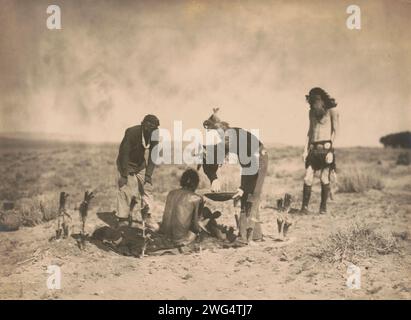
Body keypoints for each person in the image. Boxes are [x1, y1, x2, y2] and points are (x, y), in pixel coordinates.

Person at [201, 108, 269, 243]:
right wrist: (214, 179)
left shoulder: (240, 140)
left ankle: (244, 237)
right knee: (246, 195)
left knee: (251, 194)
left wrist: (243, 187)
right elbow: (208, 162)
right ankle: (255, 235)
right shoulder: (222, 140)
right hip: (248, 163)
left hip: (258, 157)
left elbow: (252, 168)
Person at [116, 114, 160, 228]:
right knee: (125, 189)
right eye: (150, 126)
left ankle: (147, 215)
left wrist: (148, 175)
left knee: (147, 188)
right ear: (144, 125)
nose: (152, 129)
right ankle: (123, 218)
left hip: (140, 164)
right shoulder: (132, 132)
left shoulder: (155, 134)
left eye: (155, 128)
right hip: (126, 163)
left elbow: (153, 155)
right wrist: (124, 175)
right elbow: (124, 154)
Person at [301, 87, 339, 214]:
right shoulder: (311, 112)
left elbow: (336, 131)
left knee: (324, 178)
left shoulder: (332, 111)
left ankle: (323, 208)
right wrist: (304, 150)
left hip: (326, 149)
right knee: (307, 177)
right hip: (313, 150)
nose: (313, 104)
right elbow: (309, 131)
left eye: (315, 101)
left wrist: (330, 151)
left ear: (322, 100)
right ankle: (304, 208)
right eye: (311, 102)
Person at [159, 169, 204, 246]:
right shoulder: (196, 198)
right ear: (196, 183)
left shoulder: (171, 193)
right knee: (207, 215)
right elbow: (196, 227)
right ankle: (222, 236)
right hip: (181, 241)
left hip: (164, 238)